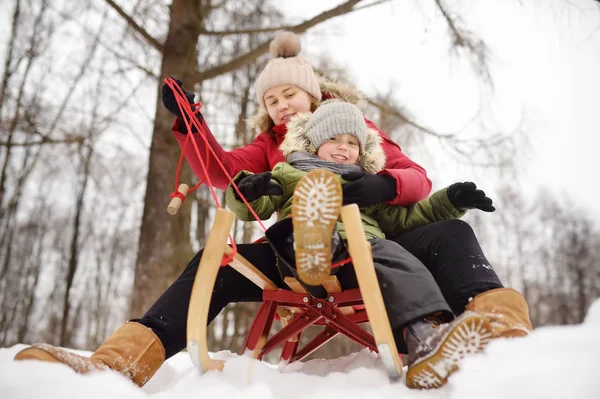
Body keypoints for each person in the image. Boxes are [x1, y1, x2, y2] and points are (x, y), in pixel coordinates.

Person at [13, 31, 532, 390]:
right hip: (290, 251)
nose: (281, 106)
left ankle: (491, 330)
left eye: (289, 95)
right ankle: (117, 365)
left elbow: (417, 181)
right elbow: (224, 176)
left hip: (370, 240)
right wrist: (193, 124)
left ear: (311, 93)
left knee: (450, 232)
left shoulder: (355, 134)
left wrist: (377, 185)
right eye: (271, 101)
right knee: (213, 259)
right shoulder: (272, 151)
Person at [226, 99, 496, 388]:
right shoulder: (289, 173)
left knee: (390, 252)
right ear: (314, 141)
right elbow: (256, 205)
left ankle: (424, 339)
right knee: (309, 235)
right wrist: (247, 190)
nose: (343, 146)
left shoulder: (367, 185)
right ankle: (316, 239)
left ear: (361, 150)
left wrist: (449, 201)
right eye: (333, 138)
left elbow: (407, 218)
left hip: (358, 257)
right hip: (296, 258)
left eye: (352, 142)